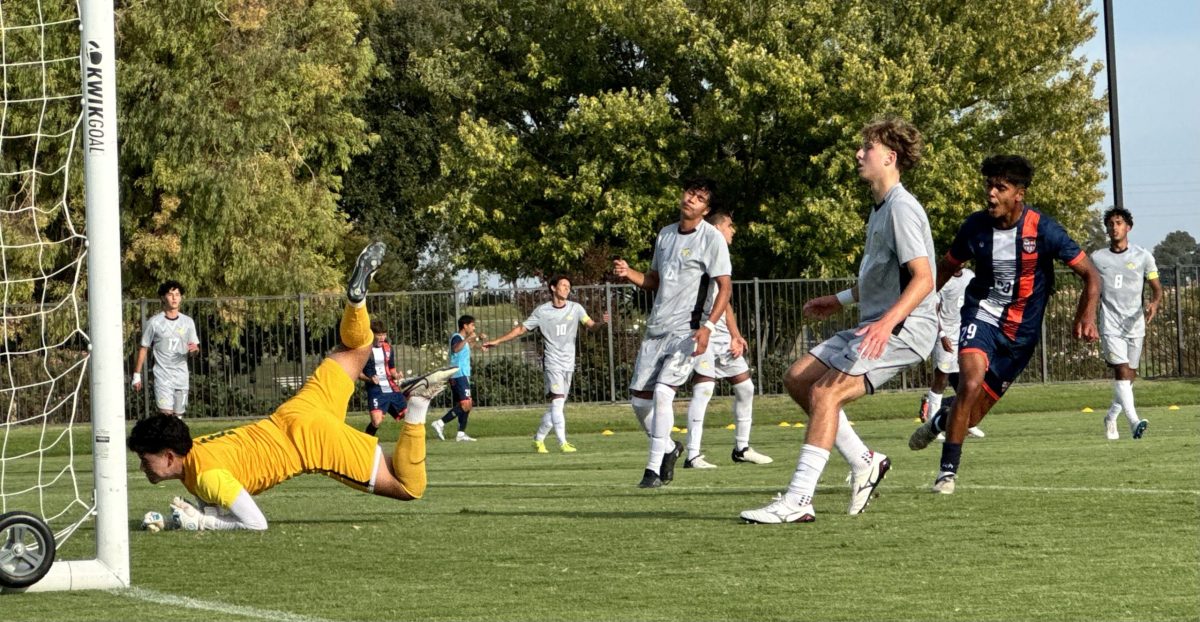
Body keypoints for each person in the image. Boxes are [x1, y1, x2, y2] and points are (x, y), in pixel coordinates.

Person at [126, 243, 459, 530]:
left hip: (311, 442)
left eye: (146, 459)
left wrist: (203, 522)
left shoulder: (205, 477)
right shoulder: (196, 450)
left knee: (409, 487)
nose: (143, 466)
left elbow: (256, 524)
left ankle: (416, 404)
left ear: (170, 456)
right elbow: (219, 500)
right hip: (296, 411)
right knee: (360, 345)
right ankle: (356, 305)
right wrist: (186, 517)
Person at [740, 116, 937, 524]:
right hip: (876, 321)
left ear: (889, 157)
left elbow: (923, 279)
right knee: (799, 378)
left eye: (867, 147)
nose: (859, 154)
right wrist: (839, 299)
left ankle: (798, 500)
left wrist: (886, 325)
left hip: (904, 328)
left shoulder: (901, 208)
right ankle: (865, 461)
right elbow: (883, 278)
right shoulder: (880, 209)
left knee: (826, 395)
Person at [908, 155, 1100, 494]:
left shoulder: (1044, 229)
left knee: (973, 414)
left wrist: (1085, 314)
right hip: (982, 313)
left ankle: (940, 420)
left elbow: (1090, 274)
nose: (991, 195)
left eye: (1001, 188)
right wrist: (915, 308)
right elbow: (945, 267)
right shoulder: (975, 227)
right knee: (969, 382)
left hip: (1020, 336)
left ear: (1019, 194)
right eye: (989, 186)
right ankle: (946, 473)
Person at [613, 177, 732, 488]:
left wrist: (707, 327)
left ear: (706, 210)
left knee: (665, 394)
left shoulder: (711, 239)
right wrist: (629, 275)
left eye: (700, 197)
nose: (692, 199)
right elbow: (654, 280)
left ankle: (652, 470)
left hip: (688, 331)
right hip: (657, 329)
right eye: (690, 193)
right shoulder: (665, 235)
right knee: (640, 403)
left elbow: (724, 287)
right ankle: (668, 447)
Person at [682, 211, 772, 469]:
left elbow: (726, 301)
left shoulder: (721, 255)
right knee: (704, 388)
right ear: (717, 228)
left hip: (721, 333)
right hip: (701, 331)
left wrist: (735, 335)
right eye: (730, 226)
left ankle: (742, 448)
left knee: (746, 388)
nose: (733, 230)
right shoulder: (704, 250)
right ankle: (693, 454)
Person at [482, 276, 608, 453]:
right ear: (553, 288)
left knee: (558, 405)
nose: (567, 289)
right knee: (557, 402)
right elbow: (521, 329)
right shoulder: (542, 312)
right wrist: (497, 341)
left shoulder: (576, 308)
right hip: (552, 363)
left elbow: (592, 326)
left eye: (568, 286)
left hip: (569, 363)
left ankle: (538, 439)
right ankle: (563, 442)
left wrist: (603, 324)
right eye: (563, 285)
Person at [1092, 206, 1162, 440]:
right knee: (1121, 370)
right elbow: (1091, 289)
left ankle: (1111, 417)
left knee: (1129, 376)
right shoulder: (1098, 258)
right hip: (1110, 324)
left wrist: (1154, 303)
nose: (1115, 227)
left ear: (1128, 227)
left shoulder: (1143, 256)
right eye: (1111, 224)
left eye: (1119, 223)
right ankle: (1134, 422)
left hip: (1135, 324)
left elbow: (1156, 288)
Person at [917, 267, 986, 440]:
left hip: (964, 334)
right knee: (941, 378)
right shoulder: (944, 279)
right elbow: (934, 310)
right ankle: (933, 424)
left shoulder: (970, 275)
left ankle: (966, 423)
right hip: (946, 336)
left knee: (969, 381)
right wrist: (942, 335)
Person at [132, 280, 200, 417]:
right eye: (170, 294)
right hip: (163, 378)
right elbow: (143, 347)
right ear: (163, 298)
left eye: (177, 294)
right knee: (166, 418)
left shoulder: (188, 322)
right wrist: (136, 375)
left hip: (181, 378)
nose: (174, 298)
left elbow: (195, 349)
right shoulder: (154, 322)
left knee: (178, 419)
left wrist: (195, 350)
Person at [432, 315, 483, 442]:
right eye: (472, 325)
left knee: (467, 404)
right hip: (459, 374)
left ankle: (461, 433)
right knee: (466, 404)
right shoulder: (456, 337)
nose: (474, 327)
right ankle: (440, 423)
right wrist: (467, 339)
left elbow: (469, 345)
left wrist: (480, 344)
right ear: (465, 326)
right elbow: (456, 348)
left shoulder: (462, 339)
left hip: (462, 375)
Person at [360, 319, 406, 436]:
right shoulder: (364, 350)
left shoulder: (388, 348)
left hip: (391, 387)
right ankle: (365, 445)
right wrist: (369, 379)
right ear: (372, 335)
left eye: (384, 335)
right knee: (376, 421)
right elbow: (358, 373)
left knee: (409, 416)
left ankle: (410, 449)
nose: (382, 338)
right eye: (379, 335)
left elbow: (391, 368)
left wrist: (396, 375)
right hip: (376, 390)